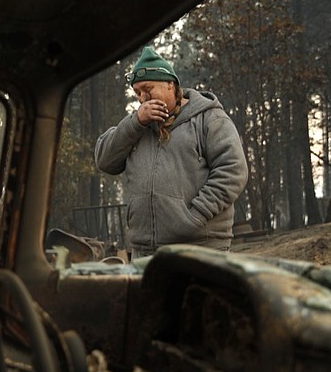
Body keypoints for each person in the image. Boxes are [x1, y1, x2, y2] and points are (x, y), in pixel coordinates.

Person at [95, 46, 247, 258]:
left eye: (148, 89)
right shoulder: (136, 126)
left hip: (200, 248)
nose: (142, 98)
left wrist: (195, 216)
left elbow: (233, 171)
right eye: (137, 92)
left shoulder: (209, 119)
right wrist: (135, 123)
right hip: (144, 252)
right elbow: (104, 161)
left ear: (170, 84)